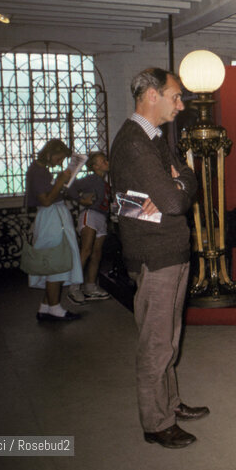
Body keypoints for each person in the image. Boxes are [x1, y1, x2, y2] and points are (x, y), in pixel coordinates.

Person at [110, 67, 205, 449]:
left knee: (169, 338)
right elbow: (175, 202)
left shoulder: (154, 138)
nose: (180, 105)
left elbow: (188, 180)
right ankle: (156, 422)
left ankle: (170, 403)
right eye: (175, 96)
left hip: (169, 250)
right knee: (156, 343)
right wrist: (175, 188)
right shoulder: (135, 143)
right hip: (155, 254)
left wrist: (178, 182)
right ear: (152, 95)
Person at [26, 139, 85, 322]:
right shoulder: (38, 172)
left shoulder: (39, 170)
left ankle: (45, 307)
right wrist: (60, 181)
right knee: (56, 263)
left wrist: (59, 181)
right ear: (50, 153)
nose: (60, 163)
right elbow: (45, 200)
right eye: (59, 158)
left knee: (55, 263)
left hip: (52, 217)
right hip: (51, 218)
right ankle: (55, 309)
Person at [67, 151, 113, 304]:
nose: (107, 162)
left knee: (96, 253)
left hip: (101, 218)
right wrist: (81, 200)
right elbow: (71, 186)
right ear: (95, 166)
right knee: (86, 250)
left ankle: (90, 287)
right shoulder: (92, 178)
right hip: (90, 215)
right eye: (103, 161)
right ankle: (74, 288)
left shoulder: (104, 183)